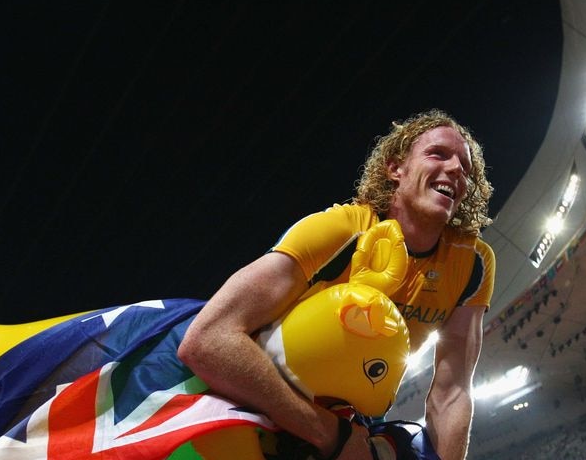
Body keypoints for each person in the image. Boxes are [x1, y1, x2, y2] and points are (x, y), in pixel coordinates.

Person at [178, 108, 496, 459]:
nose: (455, 170)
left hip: (352, 426)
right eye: (437, 153)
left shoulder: (472, 264)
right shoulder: (341, 230)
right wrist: (330, 434)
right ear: (395, 169)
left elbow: (451, 392)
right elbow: (208, 339)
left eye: (465, 168)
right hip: (256, 412)